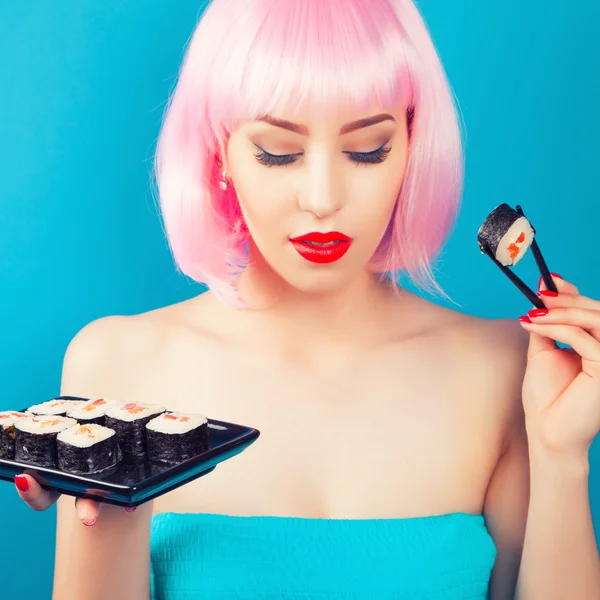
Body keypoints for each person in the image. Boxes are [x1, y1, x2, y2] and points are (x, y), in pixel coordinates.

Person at [15, 0, 600, 598]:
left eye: (367, 149)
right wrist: (113, 501)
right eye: (278, 151)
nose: (323, 198)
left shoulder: (506, 370)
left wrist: (562, 457)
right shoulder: (117, 366)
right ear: (220, 153)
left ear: (412, 145)